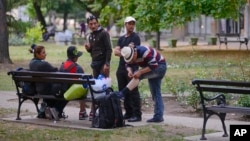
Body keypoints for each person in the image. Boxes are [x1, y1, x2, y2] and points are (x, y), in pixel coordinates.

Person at [117, 45, 167, 123]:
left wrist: (140, 72)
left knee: (139, 75)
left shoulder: (145, 52)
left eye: (132, 59)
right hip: (151, 67)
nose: (132, 61)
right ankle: (158, 116)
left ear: (135, 53)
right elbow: (128, 64)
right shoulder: (130, 54)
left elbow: (154, 65)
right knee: (155, 92)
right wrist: (129, 71)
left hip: (160, 67)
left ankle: (122, 93)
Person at [114, 16, 142, 122]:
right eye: (129, 23)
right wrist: (124, 52)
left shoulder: (135, 37)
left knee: (133, 90)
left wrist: (122, 51)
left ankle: (137, 114)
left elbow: (132, 52)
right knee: (123, 90)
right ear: (125, 25)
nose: (131, 26)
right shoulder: (121, 38)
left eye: (133, 24)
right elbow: (116, 52)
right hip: (121, 67)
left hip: (132, 66)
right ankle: (128, 112)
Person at [84, 15, 112, 120]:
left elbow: (109, 49)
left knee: (103, 87)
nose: (93, 25)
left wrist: (107, 64)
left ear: (98, 23)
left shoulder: (104, 33)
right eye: (91, 24)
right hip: (95, 63)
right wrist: (89, 49)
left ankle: (103, 111)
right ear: (88, 25)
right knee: (96, 87)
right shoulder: (90, 36)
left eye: (95, 23)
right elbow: (93, 51)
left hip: (103, 64)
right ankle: (94, 111)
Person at [29, 44, 68, 119]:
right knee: (66, 92)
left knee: (55, 93)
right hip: (47, 89)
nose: (45, 54)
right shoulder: (43, 64)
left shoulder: (32, 63)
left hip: (39, 89)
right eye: (43, 52)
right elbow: (55, 71)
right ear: (37, 54)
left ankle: (46, 112)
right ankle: (57, 111)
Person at [59, 46, 88, 120]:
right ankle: (82, 112)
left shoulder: (62, 66)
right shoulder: (78, 68)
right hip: (71, 93)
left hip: (61, 91)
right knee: (84, 87)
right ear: (75, 57)